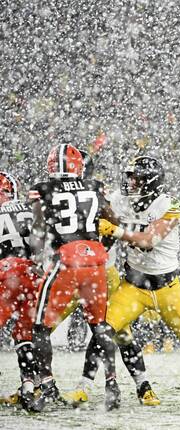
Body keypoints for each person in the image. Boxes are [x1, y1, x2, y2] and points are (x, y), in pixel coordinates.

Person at [99, 156, 180, 409]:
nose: (131, 183)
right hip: (133, 285)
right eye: (130, 177)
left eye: (137, 179)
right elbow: (99, 205)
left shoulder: (169, 204)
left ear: (151, 182)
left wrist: (117, 231)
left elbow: (148, 240)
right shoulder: (120, 201)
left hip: (167, 286)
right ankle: (140, 386)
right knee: (108, 333)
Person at [60, 149, 160, 407]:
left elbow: (119, 230)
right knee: (41, 327)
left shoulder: (103, 197)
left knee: (117, 331)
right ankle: (36, 384)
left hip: (101, 272)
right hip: (71, 270)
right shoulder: (88, 194)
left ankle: (140, 385)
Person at [28, 143, 120, 412]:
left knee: (40, 327)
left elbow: (38, 231)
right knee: (100, 325)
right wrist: (102, 246)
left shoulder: (43, 189)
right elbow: (113, 222)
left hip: (66, 260)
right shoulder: (95, 186)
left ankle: (47, 387)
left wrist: (35, 259)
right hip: (95, 260)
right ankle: (112, 385)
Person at [0, 171, 39, 410]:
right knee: (24, 335)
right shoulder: (29, 208)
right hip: (33, 275)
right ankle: (29, 386)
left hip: (5, 273)